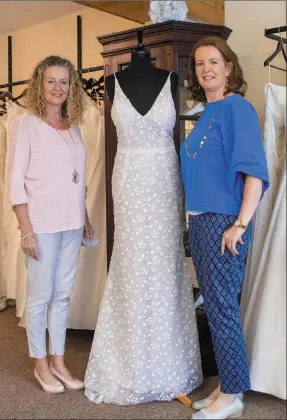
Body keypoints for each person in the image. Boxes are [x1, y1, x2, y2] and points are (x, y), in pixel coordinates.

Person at [84, 39, 203, 404]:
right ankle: (130, 362)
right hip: (129, 179)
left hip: (164, 181)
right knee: (131, 265)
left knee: (165, 266)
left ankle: (169, 363)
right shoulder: (111, 83)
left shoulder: (170, 79)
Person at [180, 37, 269, 420]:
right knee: (216, 309)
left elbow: (255, 173)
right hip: (200, 221)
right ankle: (225, 387)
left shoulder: (237, 109)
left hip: (223, 224)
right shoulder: (206, 112)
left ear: (229, 67)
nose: (206, 69)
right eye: (200, 63)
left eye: (214, 62)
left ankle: (232, 395)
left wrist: (239, 225)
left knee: (222, 309)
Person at [8, 55, 93, 393]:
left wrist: (84, 216)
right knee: (41, 295)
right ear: (40, 85)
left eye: (64, 81)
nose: (58, 88)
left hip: (72, 222)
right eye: (52, 81)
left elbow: (77, 179)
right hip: (40, 223)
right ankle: (40, 363)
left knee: (62, 295)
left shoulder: (73, 125)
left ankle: (59, 361)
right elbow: (16, 181)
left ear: (71, 87)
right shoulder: (27, 124)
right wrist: (25, 229)